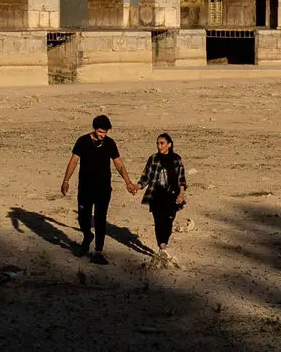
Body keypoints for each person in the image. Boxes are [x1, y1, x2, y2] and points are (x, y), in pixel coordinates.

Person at [60, 114, 136, 263]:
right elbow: (73, 161)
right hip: (85, 187)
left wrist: (128, 182)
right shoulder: (82, 141)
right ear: (94, 129)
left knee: (101, 219)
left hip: (103, 188)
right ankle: (87, 235)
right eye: (100, 132)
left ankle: (98, 252)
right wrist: (66, 180)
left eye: (105, 132)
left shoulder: (110, 143)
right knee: (83, 216)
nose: (103, 135)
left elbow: (118, 163)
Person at [139, 132, 188, 266]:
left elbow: (181, 179)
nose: (159, 146)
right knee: (159, 221)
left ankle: (163, 244)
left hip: (172, 195)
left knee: (169, 221)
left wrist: (181, 193)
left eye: (162, 143)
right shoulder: (153, 159)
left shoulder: (176, 159)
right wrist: (138, 186)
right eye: (158, 143)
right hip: (156, 195)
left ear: (169, 145)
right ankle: (162, 247)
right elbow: (146, 176)